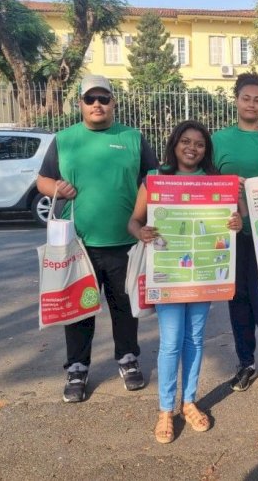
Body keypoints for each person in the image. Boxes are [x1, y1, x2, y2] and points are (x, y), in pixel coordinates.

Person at [37, 74, 158, 403]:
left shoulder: (133, 138)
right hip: (78, 245)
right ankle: (77, 367)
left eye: (103, 98)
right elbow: (43, 181)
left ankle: (128, 359)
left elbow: (152, 180)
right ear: (80, 104)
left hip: (125, 242)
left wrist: (142, 217)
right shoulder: (64, 139)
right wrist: (56, 188)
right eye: (90, 99)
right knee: (78, 310)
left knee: (124, 307)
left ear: (113, 102)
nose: (97, 105)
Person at [127, 120, 242, 444]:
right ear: (175, 144)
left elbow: (234, 223)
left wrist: (236, 221)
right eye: (186, 142)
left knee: (194, 339)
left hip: (203, 275)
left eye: (199, 144)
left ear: (206, 150)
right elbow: (133, 221)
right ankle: (166, 409)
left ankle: (188, 402)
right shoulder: (156, 179)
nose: (192, 148)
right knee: (171, 341)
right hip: (170, 275)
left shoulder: (216, 183)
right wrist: (142, 232)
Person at [211, 73, 258, 394]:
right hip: (230, 234)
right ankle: (246, 363)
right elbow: (206, 181)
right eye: (246, 98)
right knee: (237, 301)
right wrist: (229, 184)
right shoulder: (219, 140)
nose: (252, 104)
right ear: (236, 100)